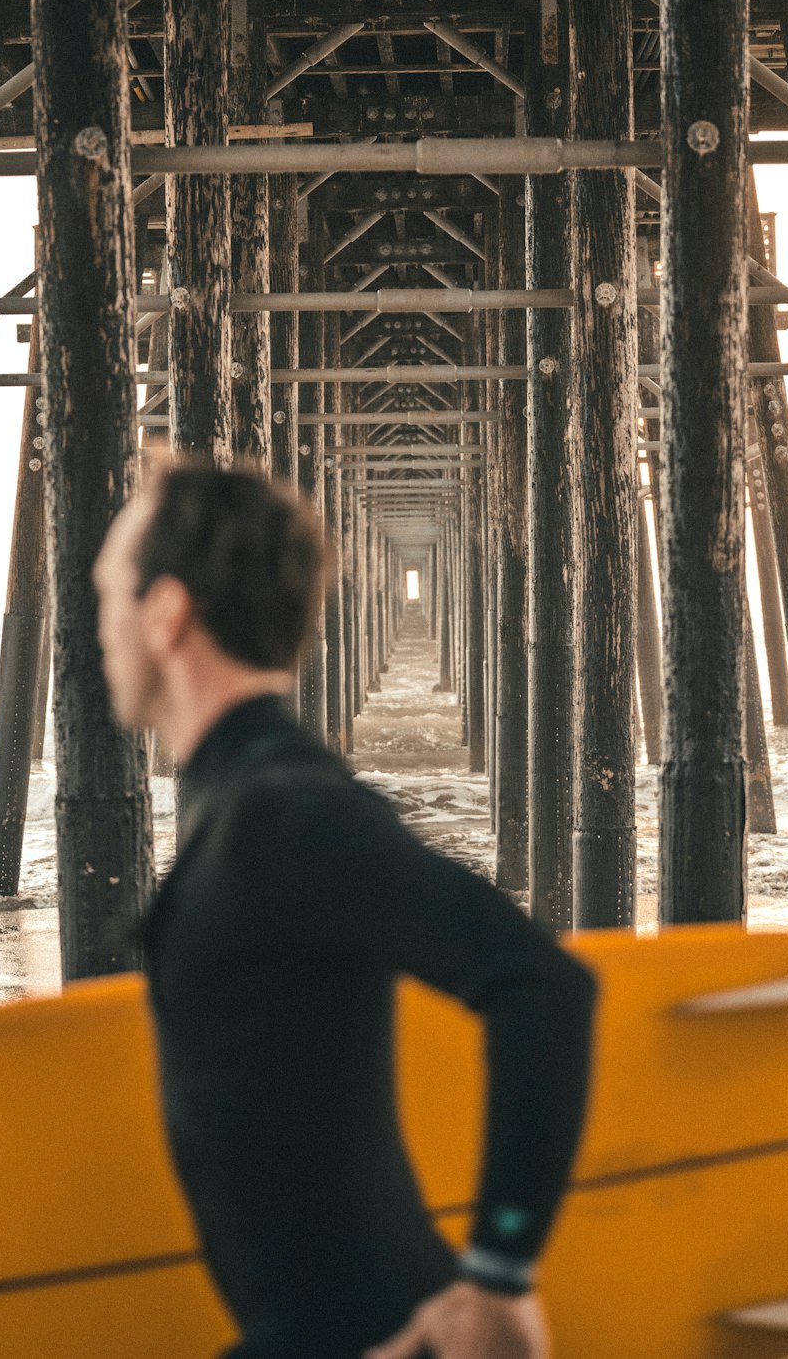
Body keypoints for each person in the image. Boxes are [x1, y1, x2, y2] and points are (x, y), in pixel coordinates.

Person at [92, 462, 596, 1359]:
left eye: (109, 597)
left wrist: (499, 1275)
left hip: (375, 1330)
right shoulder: (248, 796)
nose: (100, 630)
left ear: (167, 614)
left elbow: (544, 986)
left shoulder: (286, 811)